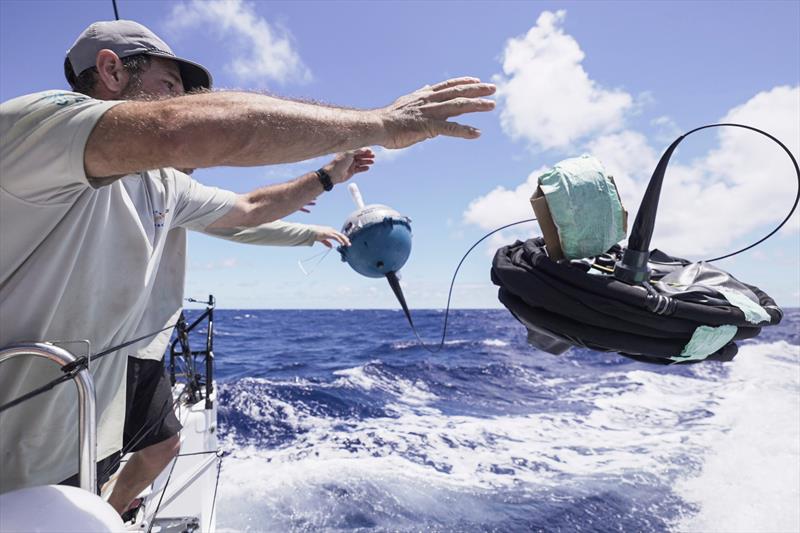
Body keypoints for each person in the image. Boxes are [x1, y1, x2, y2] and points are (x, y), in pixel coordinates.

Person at [0, 19, 496, 515]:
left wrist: (327, 176)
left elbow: (252, 208)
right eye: (170, 87)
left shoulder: (162, 186)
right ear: (109, 70)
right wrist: (384, 123)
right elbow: (180, 130)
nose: (181, 101)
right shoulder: (43, 126)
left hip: (80, 426)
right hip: (18, 435)